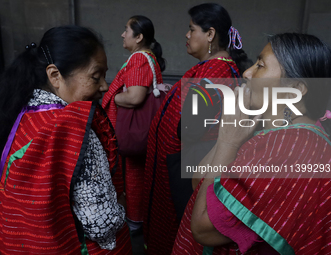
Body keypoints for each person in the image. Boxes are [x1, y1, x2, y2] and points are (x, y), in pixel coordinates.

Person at [172, 33, 331, 254]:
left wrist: (228, 142)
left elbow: (202, 227)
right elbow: (199, 182)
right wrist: (228, 134)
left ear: (296, 88)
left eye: (261, 66)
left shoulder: (289, 149)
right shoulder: (275, 131)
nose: (247, 73)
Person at [0, 25, 132, 254]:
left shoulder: (21, 115)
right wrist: (121, 207)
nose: (104, 87)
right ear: (55, 75)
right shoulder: (76, 132)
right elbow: (101, 224)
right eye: (95, 77)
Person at [142, 3, 251, 255]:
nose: (187, 35)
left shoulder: (216, 72)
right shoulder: (210, 69)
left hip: (182, 170)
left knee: (174, 227)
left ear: (210, 34)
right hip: (178, 165)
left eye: (192, 30)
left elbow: (188, 128)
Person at [101, 15, 165, 233]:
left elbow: (135, 98)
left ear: (139, 37)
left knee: (134, 174)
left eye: (126, 30)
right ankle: (140, 219)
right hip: (145, 130)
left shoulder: (138, 59)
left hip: (133, 132)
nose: (122, 34)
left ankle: (135, 221)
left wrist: (111, 97)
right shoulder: (149, 58)